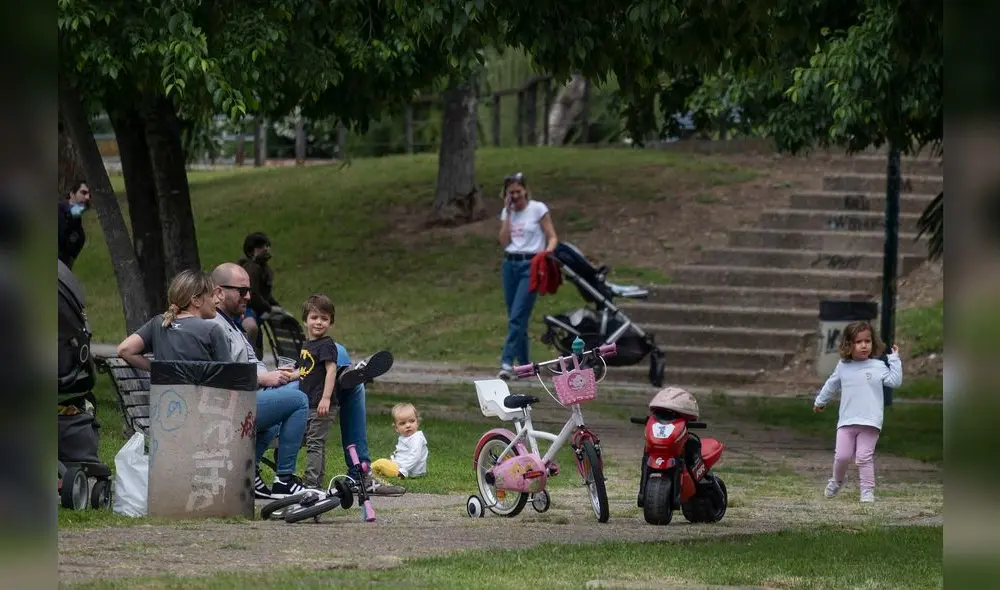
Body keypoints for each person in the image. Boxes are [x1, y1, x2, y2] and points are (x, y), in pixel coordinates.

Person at [208, 262, 313, 499]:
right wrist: (264, 378)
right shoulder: (214, 325)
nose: (248, 297)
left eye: (250, 292)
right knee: (297, 399)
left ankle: (248, 472)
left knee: (298, 387)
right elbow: (222, 373)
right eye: (242, 291)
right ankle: (284, 480)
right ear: (218, 292)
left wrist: (275, 374)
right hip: (228, 407)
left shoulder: (232, 324)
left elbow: (248, 364)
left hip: (245, 397)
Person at [813, 320, 903, 503]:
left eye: (867, 341)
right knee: (842, 456)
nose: (864, 345)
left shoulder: (878, 367)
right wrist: (820, 401)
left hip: (870, 422)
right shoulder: (843, 366)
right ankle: (836, 480)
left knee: (863, 457)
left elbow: (895, 381)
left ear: (873, 343)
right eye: (858, 341)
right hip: (846, 421)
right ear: (849, 344)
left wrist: (894, 360)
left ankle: (867, 491)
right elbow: (831, 384)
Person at [496, 172, 558, 380]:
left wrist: (546, 254)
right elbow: (504, 242)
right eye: (511, 193)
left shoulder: (538, 209)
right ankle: (525, 366)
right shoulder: (508, 213)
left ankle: (506, 362)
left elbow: (552, 236)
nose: (515, 196)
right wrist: (507, 212)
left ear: (525, 191)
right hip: (510, 264)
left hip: (531, 265)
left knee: (517, 316)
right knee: (517, 317)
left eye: (518, 191)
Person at [116, 269, 231, 371]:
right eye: (211, 295)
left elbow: (125, 350)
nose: (216, 301)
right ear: (196, 300)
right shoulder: (211, 330)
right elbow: (230, 377)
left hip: (166, 394)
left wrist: (160, 370)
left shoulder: (159, 323)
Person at [297, 294, 341, 489]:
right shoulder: (308, 345)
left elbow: (331, 370)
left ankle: (311, 483)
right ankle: (317, 483)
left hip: (321, 404)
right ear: (305, 319)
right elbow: (306, 369)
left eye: (324, 318)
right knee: (316, 442)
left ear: (331, 322)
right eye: (314, 317)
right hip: (310, 402)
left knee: (315, 443)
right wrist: (288, 375)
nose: (319, 322)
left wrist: (326, 398)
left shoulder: (326, 345)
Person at [238, 232, 281, 357]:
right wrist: (270, 308)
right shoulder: (252, 268)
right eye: (261, 246)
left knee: (257, 342)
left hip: (255, 312)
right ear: (251, 251)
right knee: (251, 328)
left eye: (267, 245)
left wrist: (275, 306)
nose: (266, 249)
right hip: (245, 310)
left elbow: (265, 295)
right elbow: (253, 296)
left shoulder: (262, 269)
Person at [372, 402, 428, 480]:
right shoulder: (405, 437)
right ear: (396, 428)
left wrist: (403, 471)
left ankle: (367, 470)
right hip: (400, 466)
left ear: (417, 423)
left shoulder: (417, 438)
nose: (408, 425)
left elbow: (415, 457)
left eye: (412, 421)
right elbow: (401, 453)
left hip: (409, 471)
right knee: (383, 466)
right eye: (402, 423)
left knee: (381, 463)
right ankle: (372, 472)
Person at [58, 181, 91, 270]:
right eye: (83, 192)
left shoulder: (79, 236)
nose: (87, 197)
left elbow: (66, 266)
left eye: (89, 195)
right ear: (72, 194)